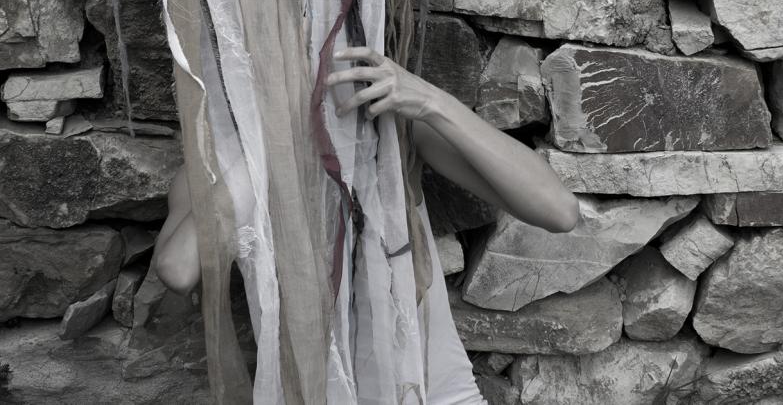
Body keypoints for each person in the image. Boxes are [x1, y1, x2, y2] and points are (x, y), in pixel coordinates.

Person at [153, 46, 580, 401]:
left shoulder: (390, 126)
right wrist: (271, 137)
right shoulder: (221, 162)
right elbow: (178, 268)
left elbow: (558, 210)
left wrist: (431, 102)